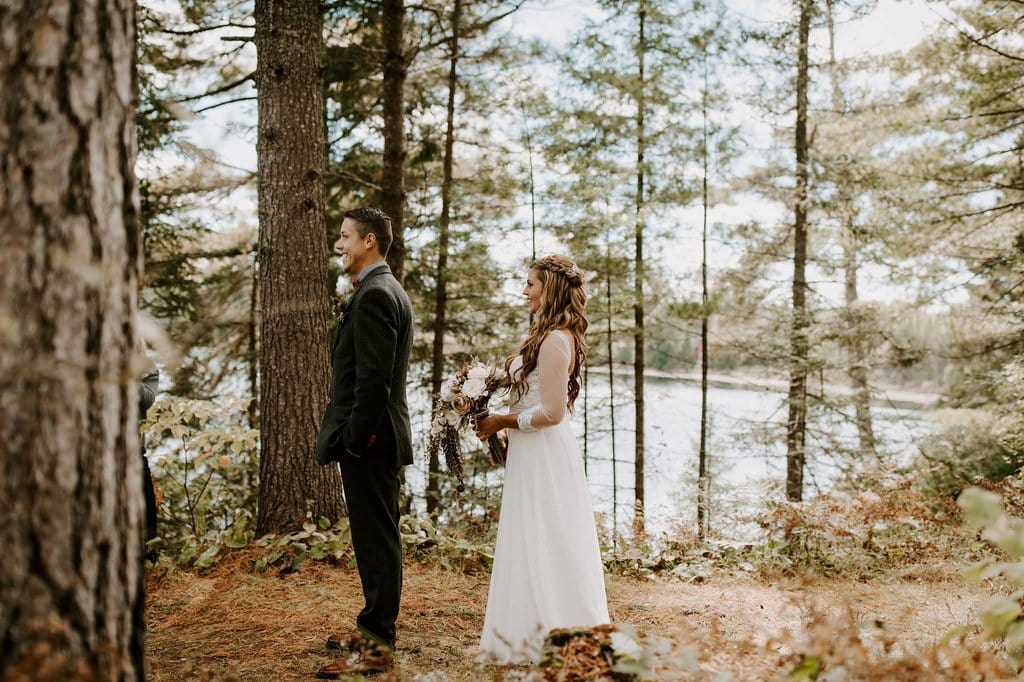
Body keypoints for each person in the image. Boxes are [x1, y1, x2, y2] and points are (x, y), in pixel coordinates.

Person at [474, 254, 610, 664]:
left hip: (545, 451)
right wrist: (492, 416)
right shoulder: (546, 335)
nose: (524, 291)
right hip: (529, 447)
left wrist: (503, 420)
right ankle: (525, 627)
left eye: (531, 284)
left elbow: (552, 413)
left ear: (549, 289)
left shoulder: (555, 340)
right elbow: (528, 397)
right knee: (530, 533)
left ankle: (557, 627)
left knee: (548, 534)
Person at [314, 207, 414, 679]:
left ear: (369, 241)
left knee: (377, 541)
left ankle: (377, 646)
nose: (339, 244)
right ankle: (372, 627)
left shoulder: (375, 294)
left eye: (345, 236)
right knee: (375, 538)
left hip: (373, 441)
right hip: (376, 437)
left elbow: (375, 381)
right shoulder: (381, 289)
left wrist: (355, 439)